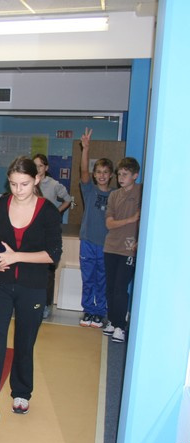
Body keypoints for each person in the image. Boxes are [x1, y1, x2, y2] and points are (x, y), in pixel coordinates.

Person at [0, 156, 62, 440]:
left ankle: (22, 390)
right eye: (13, 184)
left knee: (24, 344)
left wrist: (15, 257)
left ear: (37, 179)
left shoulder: (48, 212)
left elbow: (53, 255)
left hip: (32, 286)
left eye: (24, 184)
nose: (18, 189)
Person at [102, 157, 142, 344]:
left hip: (128, 248)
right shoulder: (114, 195)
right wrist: (130, 220)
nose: (121, 178)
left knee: (120, 288)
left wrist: (139, 239)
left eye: (125, 174)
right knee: (110, 287)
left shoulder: (141, 192)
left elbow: (143, 219)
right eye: (119, 174)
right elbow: (109, 223)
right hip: (111, 246)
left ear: (135, 175)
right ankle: (112, 320)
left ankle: (120, 326)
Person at [78, 128, 114, 328]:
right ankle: (88, 311)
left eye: (105, 172)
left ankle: (100, 312)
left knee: (102, 279)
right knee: (88, 279)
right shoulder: (89, 190)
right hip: (88, 242)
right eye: (98, 172)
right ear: (94, 175)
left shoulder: (115, 195)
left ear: (111, 175)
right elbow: (83, 171)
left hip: (106, 245)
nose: (102, 175)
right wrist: (86, 148)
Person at [32, 153, 72, 319]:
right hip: (33, 232)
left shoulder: (54, 184)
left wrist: (56, 212)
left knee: (48, 271)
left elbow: (68, 199)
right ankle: (30, 303)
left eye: (40, 166)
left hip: (48, 232)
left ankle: (45, 305)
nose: (37, 169)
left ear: (46, 167)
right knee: (31, 269)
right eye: (34, 165)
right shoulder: (29, 183)